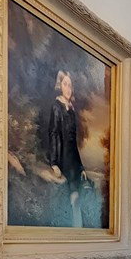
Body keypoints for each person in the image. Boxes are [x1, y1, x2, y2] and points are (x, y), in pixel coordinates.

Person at [47, 70, 86, 227]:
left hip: (73, 158)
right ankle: (76, 228)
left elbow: (73, 141)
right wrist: (54, 163)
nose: (68, 88)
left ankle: (79, 228)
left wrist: (81, 166)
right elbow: (53, 134)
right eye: (65, 84)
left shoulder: (72, 109)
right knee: (74, 192)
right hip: (62, 157)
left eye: (70, 85)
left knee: (83, 186)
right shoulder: (56, 106)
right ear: (60, 86)